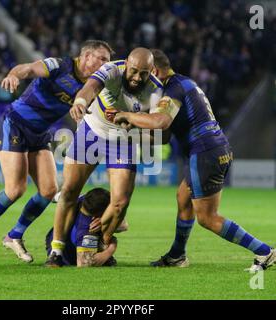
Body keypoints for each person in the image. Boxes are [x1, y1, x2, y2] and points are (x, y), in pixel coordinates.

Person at [114, 49, 276, 272]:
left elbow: (160, 121)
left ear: (155, 71)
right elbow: (165, 136)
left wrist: (128, 115)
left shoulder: (173, 88)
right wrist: (131, 129)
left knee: (207, 218)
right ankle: (177, 255)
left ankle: (265, 251)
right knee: (183, 198)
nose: (143, 82)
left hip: (205, 153)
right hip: (213, 149)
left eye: (145, 75)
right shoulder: (183, 84)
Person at [0, 40, 113, 264]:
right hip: (16, 123)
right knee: (15, 189)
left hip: (40, 133)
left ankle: (14, 235)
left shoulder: (93, 85)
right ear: (87, 56)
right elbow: (28, 68)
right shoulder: (59, 65)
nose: (106, 65)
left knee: (49, 191)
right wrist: (14, 74)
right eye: (103, 59)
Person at [45, 47, 164, 267]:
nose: (138, 78)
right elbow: (90, 87)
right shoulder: (111, 70)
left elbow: (157, 126)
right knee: (70, 191)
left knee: (119, 204)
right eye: (134, 70)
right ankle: (56, 251)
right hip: (91, 132)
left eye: (144, 73)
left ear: (152, 71)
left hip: (124, 142)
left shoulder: (156, 90)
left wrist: (135, 123)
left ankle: (103, 242)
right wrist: (80, 102)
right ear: (126, 62)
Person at [46, 188, 128, 267]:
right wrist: (111, 248)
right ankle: (103, 254)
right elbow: (85, 263)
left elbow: (123, 225)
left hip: (55, 237)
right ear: (99, 214)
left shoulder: (82, 199)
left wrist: (104, 221)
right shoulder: (89, 228)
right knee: (109, 238)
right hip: (67, 255)